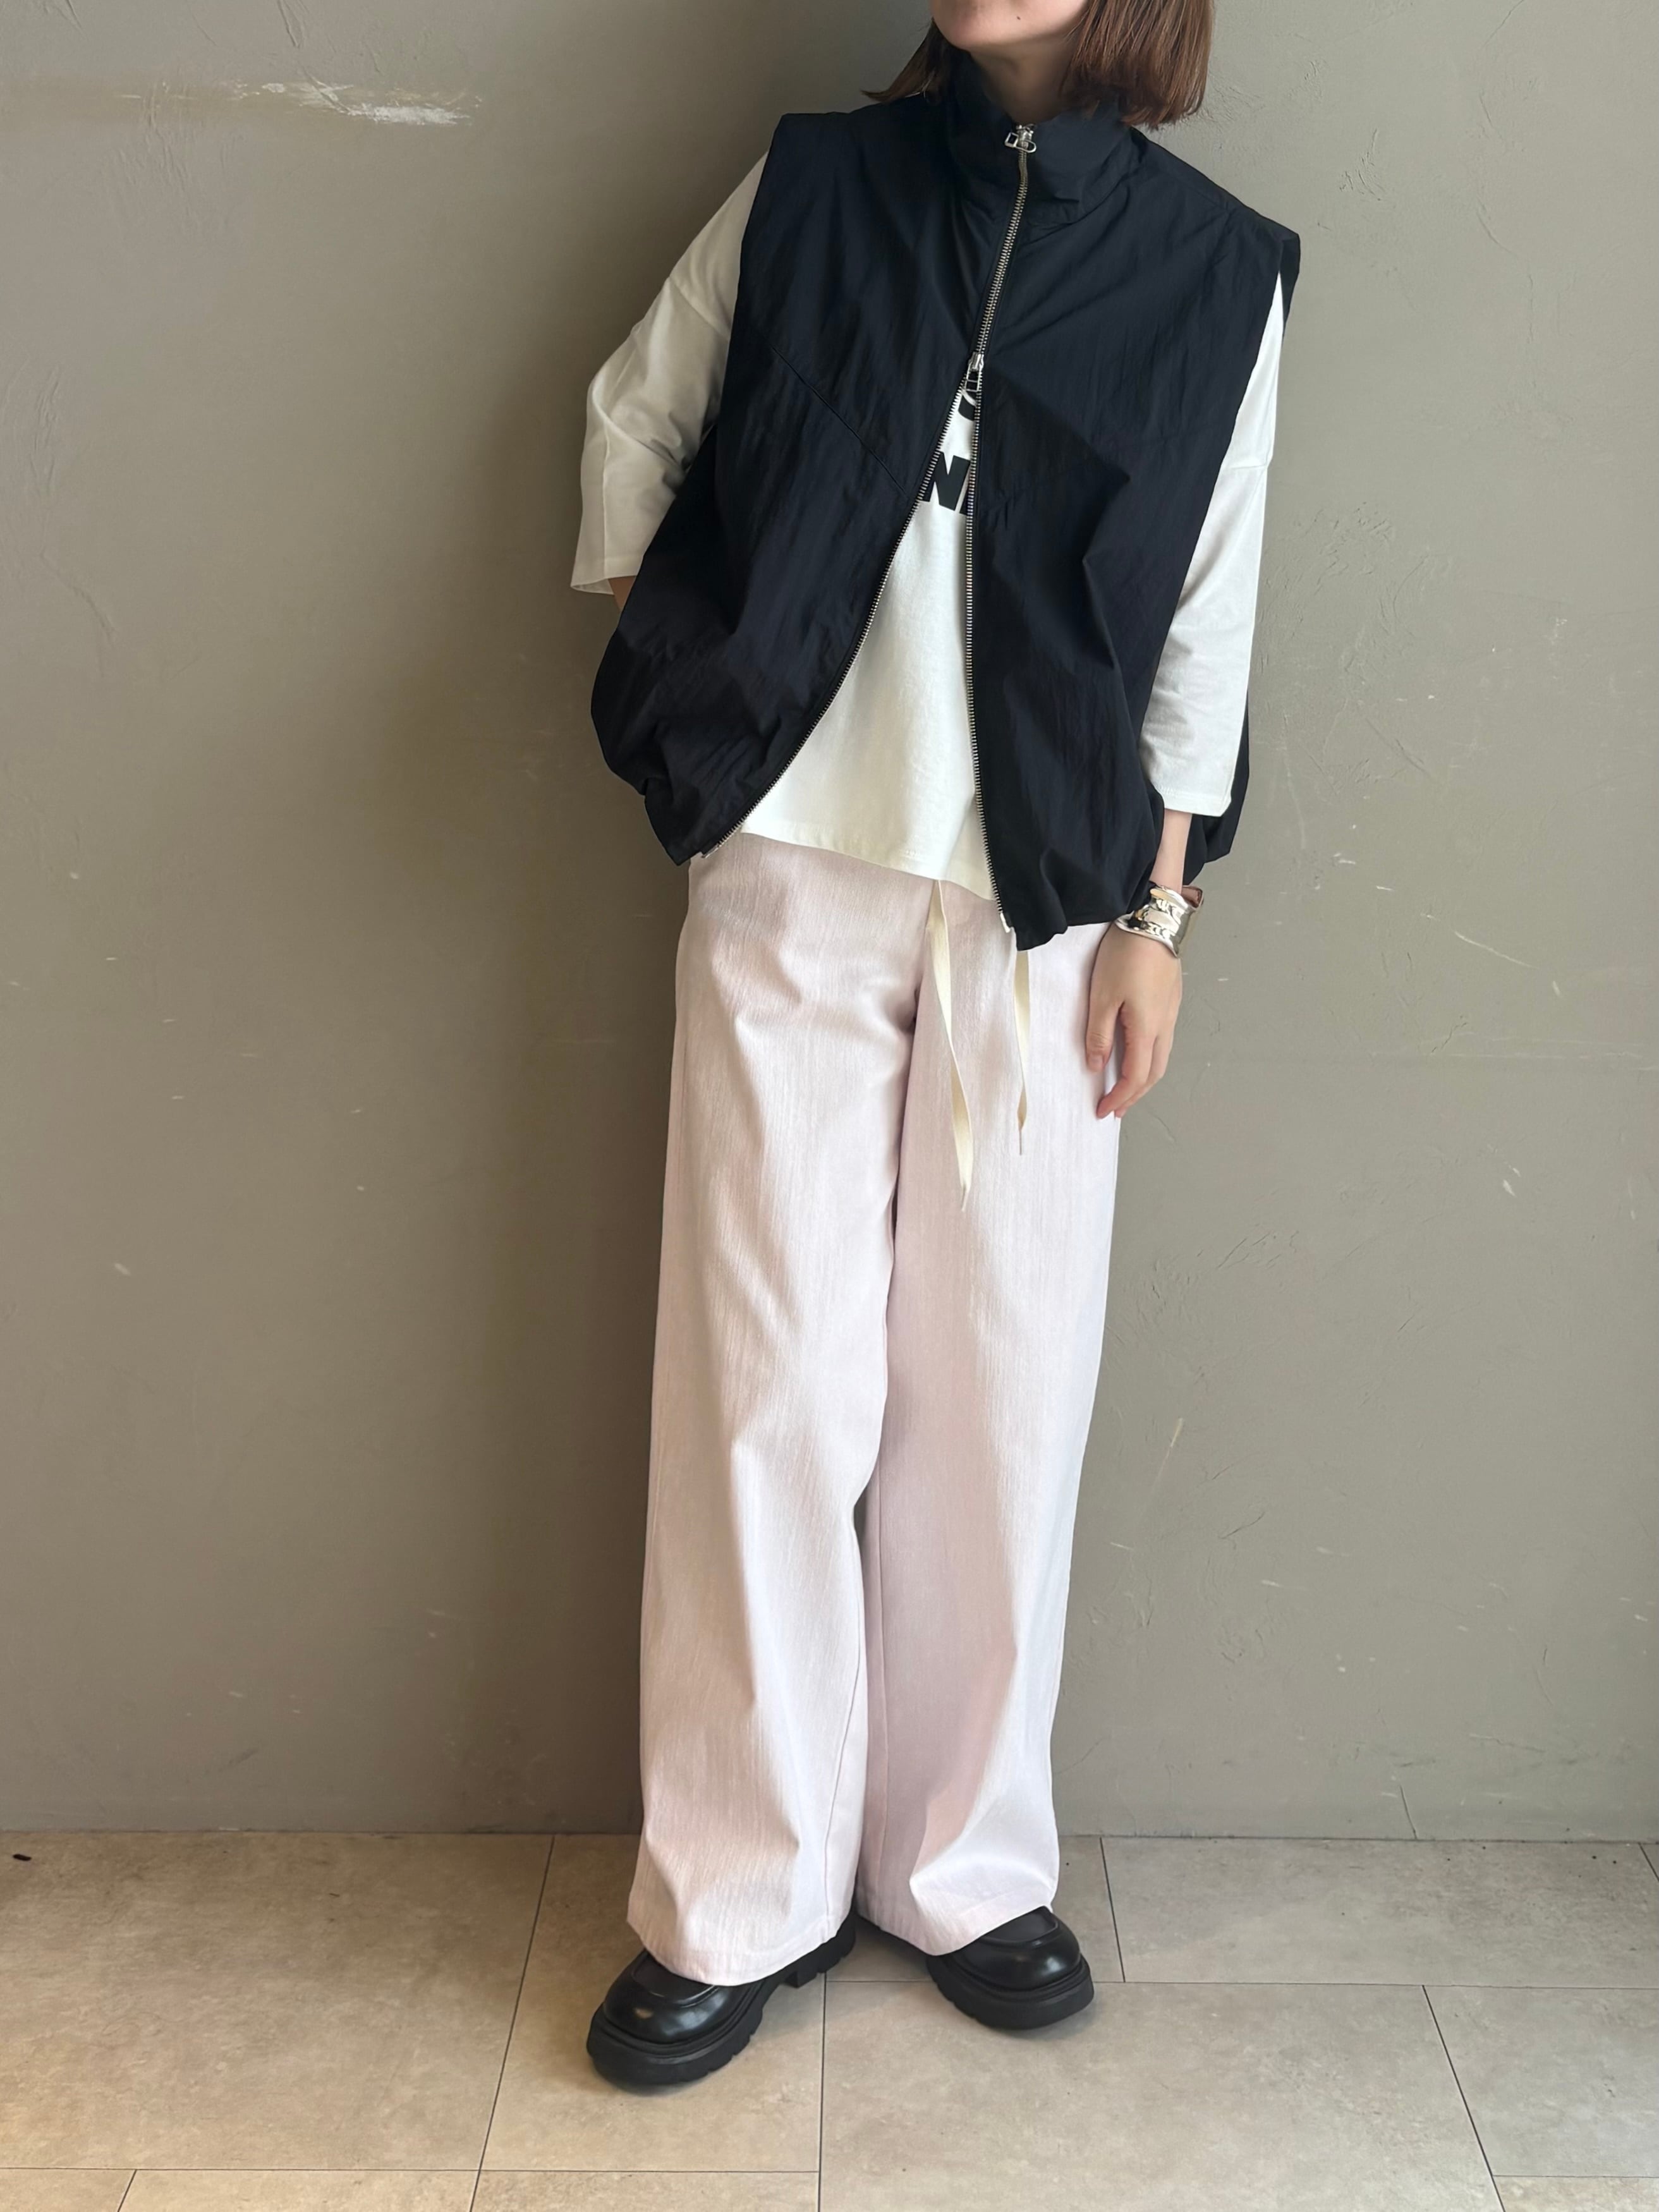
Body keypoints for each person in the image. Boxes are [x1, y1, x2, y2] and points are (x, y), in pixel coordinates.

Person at [571, 0, 1297, 2087]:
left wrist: (1158, 917)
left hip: (1046, 908)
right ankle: (735, 1887)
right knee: (761, 1383)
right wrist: (704, 684)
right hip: (790, 863)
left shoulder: (1214, 271)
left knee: (1001, 1389)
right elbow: (633, 417)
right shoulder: (814, 185)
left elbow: (1209, 618)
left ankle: (962, 1868)